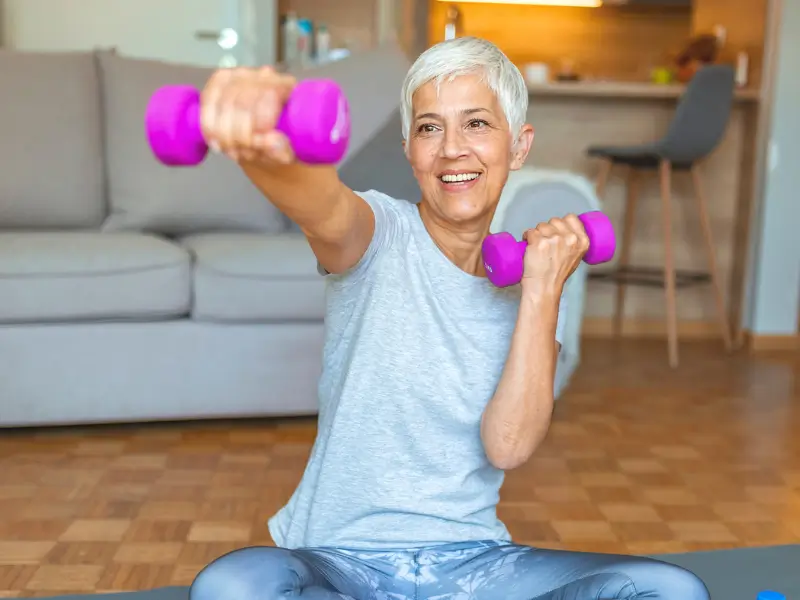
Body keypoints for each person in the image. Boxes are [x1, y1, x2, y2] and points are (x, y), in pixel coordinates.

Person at [189, 37, 710, 600]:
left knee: (668, 589)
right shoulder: (377, 234)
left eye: (478, 124)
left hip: (477, 568)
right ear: (410, 150)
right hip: (339, 565)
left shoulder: (529, 293)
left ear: (518, 146)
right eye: (430, 128)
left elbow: (508, 446)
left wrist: (542, 291)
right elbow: (320, 204)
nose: (452, 149)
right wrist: (263, 144)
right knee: (234, 586)